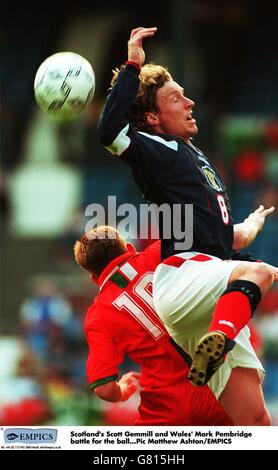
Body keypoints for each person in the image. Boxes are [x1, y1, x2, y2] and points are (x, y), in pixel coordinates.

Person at [97, 27, 278, 425]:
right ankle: (221, 336)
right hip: (183, 279)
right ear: (152, 117)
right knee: (260, 272)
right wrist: (132, 66)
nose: (190, 102)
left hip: (208, 286)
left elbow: (227, 239)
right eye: (176, 98)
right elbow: (110, 132)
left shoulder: (191, 156)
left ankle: (216, 340)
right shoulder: (155, 147)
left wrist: (249, 225)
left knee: (257, 425)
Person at [74, 225, 233, 425]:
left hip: (167, 407)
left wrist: (122, 391)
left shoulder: (98, 315)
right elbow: (222, 237)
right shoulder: (159, 252)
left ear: (94, 278)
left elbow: (104, 389)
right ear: (130, 248)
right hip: (223, 390)